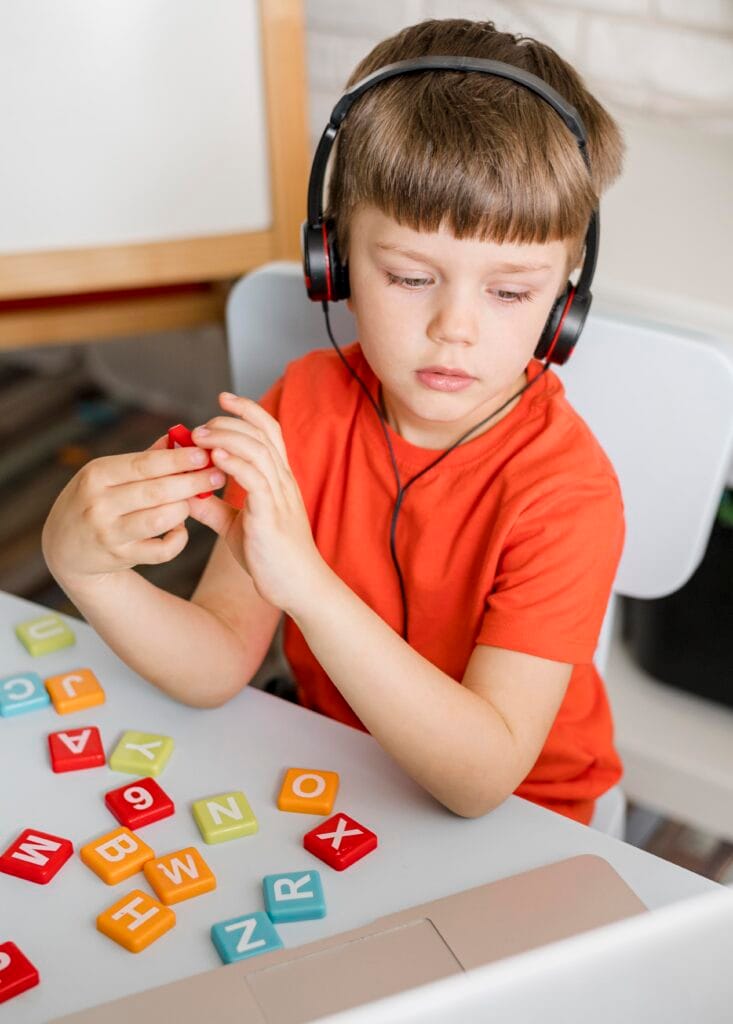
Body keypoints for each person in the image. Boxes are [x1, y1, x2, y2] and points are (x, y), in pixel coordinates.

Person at [42, 19, 626, 827]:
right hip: (332, 767)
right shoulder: (305, 403)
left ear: (563, 305)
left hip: (525, 820)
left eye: (509, 292)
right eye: (411, 275)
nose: (454, 327)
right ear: (335, 264)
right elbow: (217, 662)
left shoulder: (568, 494)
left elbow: (482, 778)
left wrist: (307, 585)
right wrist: (87, 572)